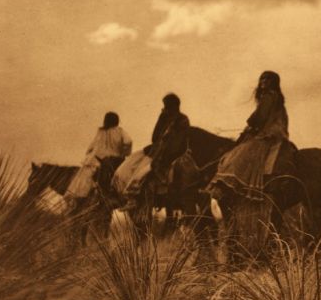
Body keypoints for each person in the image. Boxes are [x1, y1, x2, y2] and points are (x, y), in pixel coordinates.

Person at [208, 70, 293, 202]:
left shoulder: (269, 96)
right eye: (262, 79)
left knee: (240, 154)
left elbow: (260, 116)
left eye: (268, 79)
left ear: (274, 83)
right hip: (274, 132)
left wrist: (251, 125)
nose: (264, 81)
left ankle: (234, 187)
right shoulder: (276, 98)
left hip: (269, 134)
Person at [120, 93, 190, 210]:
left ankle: (134, 198)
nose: (164, 109)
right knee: (138, 168)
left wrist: (164, 150)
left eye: (166, 106)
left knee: (142, 172)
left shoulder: (179, 119)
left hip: (171, 153)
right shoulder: (176, 118)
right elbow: (155, 137)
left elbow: (175, 140)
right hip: (163, 151)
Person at [66, 111, 132, 204]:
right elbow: (128, 141)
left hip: (97, 159)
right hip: (114, 160)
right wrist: (123, 153)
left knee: (85, 177)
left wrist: (89, 154)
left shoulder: (101, 132)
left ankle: (81, 197)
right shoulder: (120, 131)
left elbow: (91, 146)